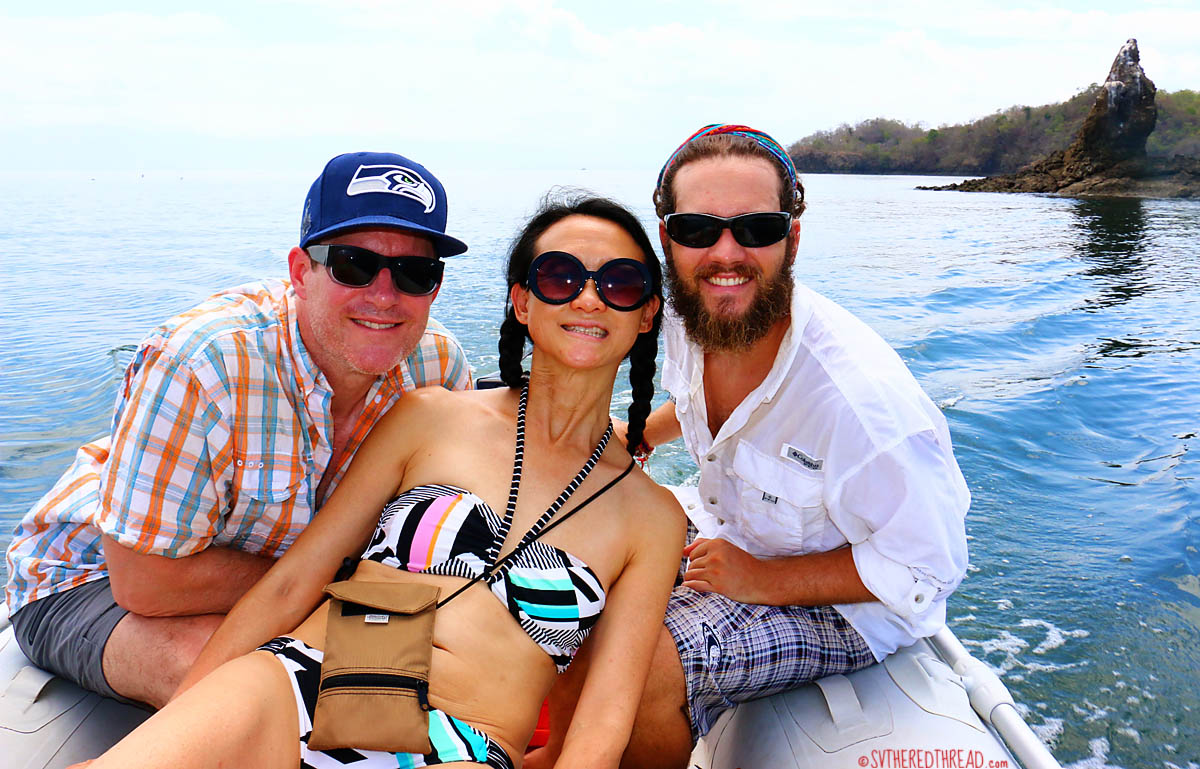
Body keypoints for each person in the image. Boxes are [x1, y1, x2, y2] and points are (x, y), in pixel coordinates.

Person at [73, 192, 686, 769]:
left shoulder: (651, 517)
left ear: (647, 313)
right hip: (306, 675)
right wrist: (184, 722)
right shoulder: (429, 414)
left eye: (620, 283)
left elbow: (602, 724)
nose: (588, 299)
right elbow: (292, 584)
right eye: (560, 277)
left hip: (464, 739)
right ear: (523, 303)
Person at [529, 124, 971, 769]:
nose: (726, 254)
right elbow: (702, 402)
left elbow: (928, 567)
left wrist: (764, 579)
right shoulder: (689, 313)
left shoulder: (862, 405)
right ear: (668, 240)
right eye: (698, 229)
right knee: (561, 568)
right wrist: (641, 434)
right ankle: (556, 751)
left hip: (847, 605)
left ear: (792, 239)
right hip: (727, 529)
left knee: (638, 665)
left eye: (757, 228)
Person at [4, 151, 474, 709]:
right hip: (92, 581)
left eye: (415, 273)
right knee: (256, 693)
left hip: (295, 589)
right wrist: (329, 590)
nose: (384, 295)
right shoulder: (203, 363)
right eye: (353, 265)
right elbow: (143, 582)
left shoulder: (439, 369)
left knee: (405, 687)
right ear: (300, 272)